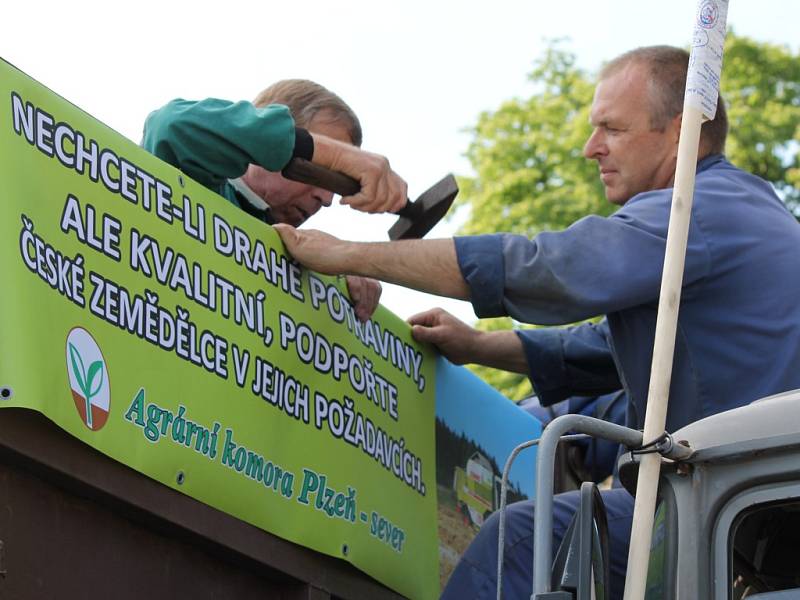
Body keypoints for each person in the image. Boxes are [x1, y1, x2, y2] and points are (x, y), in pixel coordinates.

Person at [274, 45, 800, 599]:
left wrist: (343, 254)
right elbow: (605, 350)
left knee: (518, 542)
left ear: (678, 132)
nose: (589, 148)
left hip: (737, 504)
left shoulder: (696, 210)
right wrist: (478, 345)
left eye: (611, 129)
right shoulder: (751, 208)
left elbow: (542, 267)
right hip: (756, 509)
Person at [141, 79, 406, 321]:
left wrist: (339, 280)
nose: (327, 198)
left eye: (337, 182)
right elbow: (169, 126)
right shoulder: (196, 180)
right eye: (320, 172)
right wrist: (332, 155)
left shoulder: (293, 257)